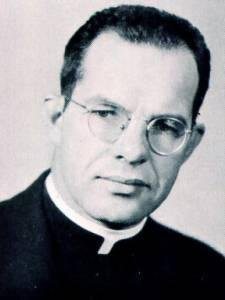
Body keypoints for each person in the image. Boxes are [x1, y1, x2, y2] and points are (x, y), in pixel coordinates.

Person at [0, 4, 224, 299]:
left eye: (166, 126)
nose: (132, 152)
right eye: (106, 114)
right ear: (57, 118)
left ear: (190, 145)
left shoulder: (213, 277)